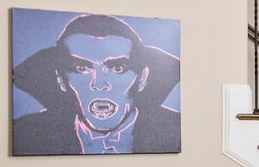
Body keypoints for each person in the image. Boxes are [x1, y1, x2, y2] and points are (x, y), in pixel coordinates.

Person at [12, 13, 181, 155]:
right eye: (81, 68)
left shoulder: (174, 128)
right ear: (61, 79)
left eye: (117, 67)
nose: (99, 84)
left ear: (142, 77)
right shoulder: (26, 132)